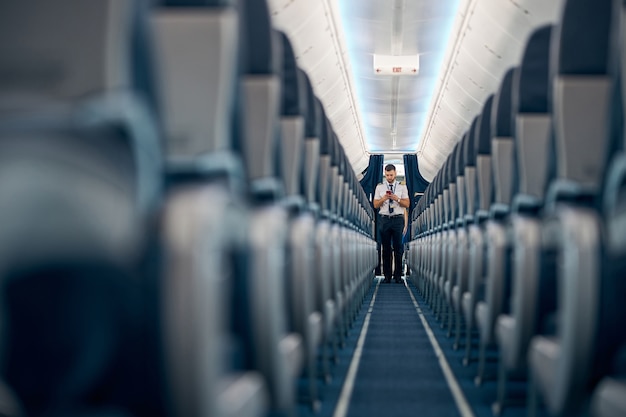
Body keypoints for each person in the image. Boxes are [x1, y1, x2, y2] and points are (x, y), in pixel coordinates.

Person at [373, 164, 409, 283]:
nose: (389, 177)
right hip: (384, 219)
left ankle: (398, 276)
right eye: (387, 175)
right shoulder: (380, 187)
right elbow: (375, 205)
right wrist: (384, 198)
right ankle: (387, 276)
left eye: (391, 175)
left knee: (398, 247)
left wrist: (396, 198)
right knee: (386, 248)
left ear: (395, 174)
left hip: (398, 219)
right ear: (385, 174)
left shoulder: (402, 187)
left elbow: (407, 204)